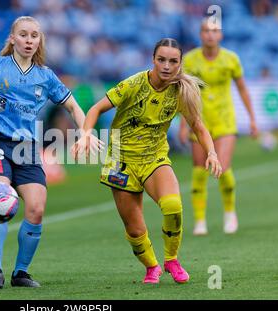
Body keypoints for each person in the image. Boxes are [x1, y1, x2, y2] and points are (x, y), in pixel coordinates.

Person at [0, 16, 100, 289]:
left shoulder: (46, 76)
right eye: (24, 35)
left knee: (37, 209)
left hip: (28, 149)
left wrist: (85, 132)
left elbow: (74, 108)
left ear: (39, 41)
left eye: (34, 36)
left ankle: (21, 273)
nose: (29, 41)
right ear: (13, 39)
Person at [72, 38, 222, 284]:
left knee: (173, 205)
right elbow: (96, 109)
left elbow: (199, 127)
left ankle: (171, 259)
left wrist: (212, 153)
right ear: (153, 60)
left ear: (180, 64)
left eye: (173, 61)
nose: (166, 66)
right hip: (121, 161)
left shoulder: (181, 91)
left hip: (154, 158)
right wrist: (85, 134)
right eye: (161, 60)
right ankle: (152, 266)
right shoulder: (133, 84)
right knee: (135, 230)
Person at [179, 19, 258, 236]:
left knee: (221, 166)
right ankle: (200, 220)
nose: (210, 35)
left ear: (221, 35)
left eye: (214, 31)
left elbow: (242, 89)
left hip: (224, 120)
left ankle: (230, 212)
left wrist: (252, 119)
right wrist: (184, 125)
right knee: (198, 170)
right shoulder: (190, 60)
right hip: (199, 121)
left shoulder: (231, 59)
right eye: (206, 30)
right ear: (200, 34)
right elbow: (185, 95)